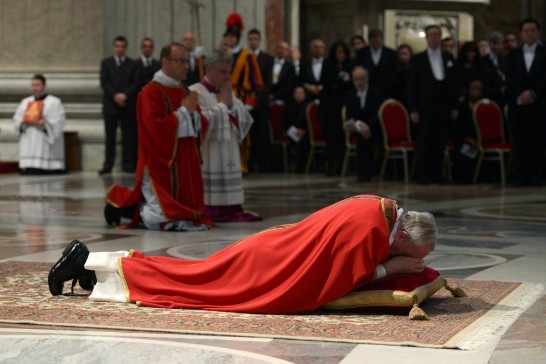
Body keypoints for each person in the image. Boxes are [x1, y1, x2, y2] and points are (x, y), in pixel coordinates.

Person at [48, 194, 437, 315]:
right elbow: (339, 284)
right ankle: (86, 261)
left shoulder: (379, 208)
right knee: (192, 284)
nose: (401, 252)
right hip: (270, 266)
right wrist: (390, 267)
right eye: (406, 248)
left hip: (271, 248)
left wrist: (395, 260)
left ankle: (90, 269)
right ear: (402, 232)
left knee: (194, 274)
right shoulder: (370, 231)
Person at [103, 42, 212, 231]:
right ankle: (118, 208)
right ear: (165, 62)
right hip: (159, 163)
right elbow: (154, 130)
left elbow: (201, 122)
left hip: (183, 161)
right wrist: (185, 112)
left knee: (186, 211)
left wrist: (194, 115)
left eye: (187, 61)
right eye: (181, 61)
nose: (186, 66)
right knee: (160, 215)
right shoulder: (150, 92)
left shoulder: (184, 90)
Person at [189, 50, 261, 222]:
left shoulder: (226, 90)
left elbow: (244, 117)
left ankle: (231, 206)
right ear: (209, 70)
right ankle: (213, 208)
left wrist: (232, 106)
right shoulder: (194, 92)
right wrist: (223, 105)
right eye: (223, 72)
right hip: (210, 150)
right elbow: (200, 122)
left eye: (229, 72)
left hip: (229, 147)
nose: (228, 76)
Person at [407, 24, 458, 184]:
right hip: (425, 105)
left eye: (437, 34)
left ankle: (437, 173)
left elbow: (453, 84)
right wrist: (413, 109)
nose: (434, 37)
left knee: (440, 140)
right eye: (431, 34)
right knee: (425, 140)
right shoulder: (418, 59)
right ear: (427, 37)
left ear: (441, 37)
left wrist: (454, 106)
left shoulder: (448, 58)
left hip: (443, 105)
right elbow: (412, 86)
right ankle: (422, 174)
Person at [506, 17, 546, 186]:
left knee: (539, 142)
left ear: (537, 32)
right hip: (519, 105)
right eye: (526, 31)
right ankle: (520, 177)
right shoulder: (513, 54)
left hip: (540, 104)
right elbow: (509, 77)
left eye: (532, 30)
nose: (529, 34)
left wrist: (533, 93)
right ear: (521, 33)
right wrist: (521, 95)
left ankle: (538, 177)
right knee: (520, 141)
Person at [221, 13, 263, 175]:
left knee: (241, 133)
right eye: (228, 36)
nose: (230, 39)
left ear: (238, 37)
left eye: (233, 36)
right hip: (224, 96)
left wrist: (250, 102)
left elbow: (254, 82)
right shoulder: (223, 54)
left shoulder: (248, 56)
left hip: (241, 97)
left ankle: (242, 163)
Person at [98, 35, 141, 175]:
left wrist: (125, 95)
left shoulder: (133, 64)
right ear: (114, 47)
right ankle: (108, 164)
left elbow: (136, 83)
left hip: (127, 105)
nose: (120, 49)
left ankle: (128, 164)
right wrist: (115, 95)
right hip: (111, 105)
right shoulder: (106, 63)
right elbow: (104, 82)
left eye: (122, 47)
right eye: (117, 46)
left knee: (128, 136)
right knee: (110, 136)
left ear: (126, 48)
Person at [12, 74, 66, 175]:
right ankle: (30, 165)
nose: (35, 88)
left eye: (37, 85)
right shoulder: (25, 102)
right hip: (29, 132)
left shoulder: (54, 102)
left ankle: (47, 166)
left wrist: (45, 122)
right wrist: (23, 121)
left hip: (44, 135)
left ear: (44, 86)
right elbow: (16, 118)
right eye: (33, 85)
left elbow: (59, 121)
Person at [300, 38, 336, 174]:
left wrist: (322, 86)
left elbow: (331, 79)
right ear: (310, 49)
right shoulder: (305, 64)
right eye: (315, 47)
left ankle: (327, 163)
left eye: (321, 47)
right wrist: (308, 86)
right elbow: (300, 80)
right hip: (309, 99)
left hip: (325, 100)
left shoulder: (329, 63)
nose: (318, 49)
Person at [343, 66, 383, 182]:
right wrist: (360, 125)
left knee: (366, 137)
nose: (359, 82)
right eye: (356, 79)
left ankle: (368, 171)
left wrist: (368, 126)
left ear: (367, 78)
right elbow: (349, 116)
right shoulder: (350, 95)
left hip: (375, 128)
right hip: (358, 129)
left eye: (362, 79)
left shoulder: (376, 93)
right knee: (362, 137)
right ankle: (362, 173)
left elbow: (377, 115)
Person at [247, 28, 274, 172]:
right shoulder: (244, 57)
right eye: (250, 39)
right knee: (249, 133)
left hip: (261, 102)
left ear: (260, 40)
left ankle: (262, 163)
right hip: (247, 103)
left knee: (262, 133)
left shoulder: (267, 58)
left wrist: (258, 97)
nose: (253, 41)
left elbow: (268, 82)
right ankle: (250, 162)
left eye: (255, 39)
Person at [355, 28, 397, 98]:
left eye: (378, 39)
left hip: (386, 92)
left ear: (382, 39)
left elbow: (393, 73)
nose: (376, 41)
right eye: (373, 40)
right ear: (369, 40)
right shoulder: (362, 53)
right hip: (367, 92)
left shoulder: (391, 54)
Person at [282, 84, 309, 172]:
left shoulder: (308, 107)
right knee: (294, 138)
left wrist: (304, 130)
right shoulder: (289, 106)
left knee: (304, 138)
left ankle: (298, 161)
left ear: (305, 94)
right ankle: (294, 160)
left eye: (301, 93)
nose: (299, 95)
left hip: (305, 132)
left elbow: (310, 123)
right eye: (297, 93)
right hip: (291, 131)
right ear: (293, 94)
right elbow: (285, 121)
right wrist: (292, 129)